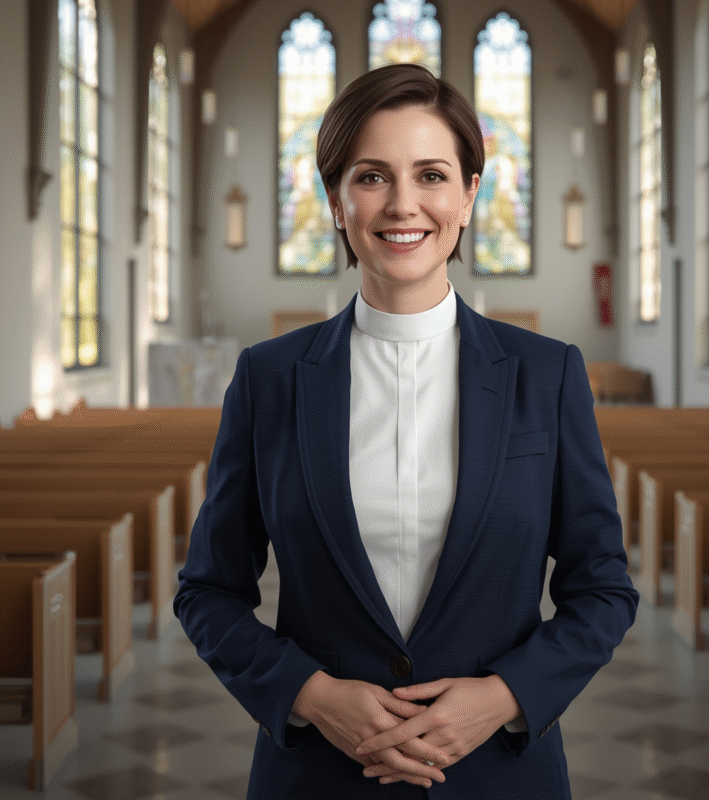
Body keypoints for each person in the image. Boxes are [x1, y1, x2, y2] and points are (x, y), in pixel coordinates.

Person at [174, 63, 638, 799]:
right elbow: (207, 592)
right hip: (319, 777)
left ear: (469, 195)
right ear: (335, 201)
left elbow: (604, 589)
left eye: (431, 175)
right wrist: (312, 696)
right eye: (371, 177)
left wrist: (505, 697)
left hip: (498, 775)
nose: (402, 205)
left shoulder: (545, 375)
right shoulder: (270, 379)